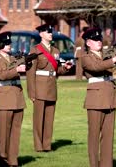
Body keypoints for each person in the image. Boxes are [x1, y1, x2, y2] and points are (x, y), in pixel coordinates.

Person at [26, 24, 73, 152]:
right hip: (39, 88)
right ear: (41, 34)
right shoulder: (35, 50)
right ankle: (38, 146)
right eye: (47, 32)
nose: (50, 33)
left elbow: (56, 70)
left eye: (51, 31)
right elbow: (30, 73)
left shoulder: (56, 51)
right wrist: (31, 92)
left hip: (52, 87)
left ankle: (47, 145)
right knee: (38, 119)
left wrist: (65, 68)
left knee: (49, 119)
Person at [81, 28, 116, 167]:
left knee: (108, 135)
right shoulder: (86, 57)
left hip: (110, 97)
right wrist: (113, 60)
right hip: (96, 99)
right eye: (95, 40)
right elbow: (96, 67)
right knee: (94, 135)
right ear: (88, 43)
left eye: (100, 39)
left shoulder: (106, 54)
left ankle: (106, 164)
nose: (99, 42)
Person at [0, 31, 27, 167]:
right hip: (4, 100)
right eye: (6, 43)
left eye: (9, 42)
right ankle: (3, 161)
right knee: (4, 134)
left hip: (17, 97)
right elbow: (1, 75)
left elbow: (26, 67)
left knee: (15, 133)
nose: (9, 45)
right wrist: (17, 70)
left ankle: (13, 161)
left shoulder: (13, 58)